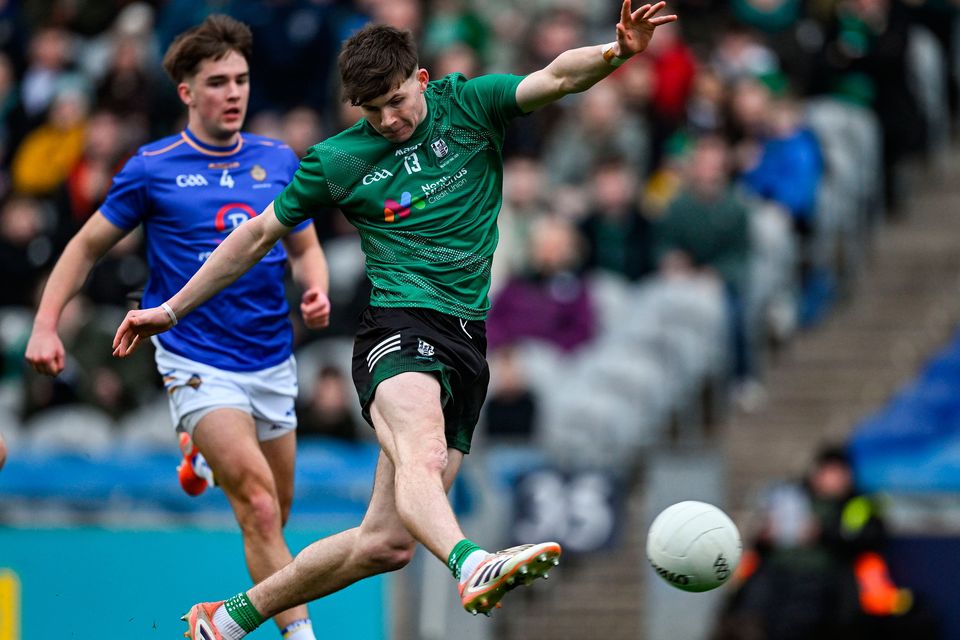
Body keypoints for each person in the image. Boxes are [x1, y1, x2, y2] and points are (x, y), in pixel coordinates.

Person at [112, 4, 677, 638]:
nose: (386, 119)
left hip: (468, 340)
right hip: (398, 328)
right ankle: (471, 563)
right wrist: (170, 307)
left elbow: (556, 77)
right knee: (424, 455)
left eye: (396, 100)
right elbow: (255, 238)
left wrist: (618, 52)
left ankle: (228, 618)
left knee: (383, 545)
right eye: (370, 108)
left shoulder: (473, 106)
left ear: (423, 78)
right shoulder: (337, 160)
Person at [25, 15, 329, 640]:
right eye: (217, 82)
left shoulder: (277, 157)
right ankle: (299, 637)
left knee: (276, 516)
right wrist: (45, 325)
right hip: (195, 358)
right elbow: (83, 248)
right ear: (187, 92)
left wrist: (317, 284)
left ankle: (204, 481)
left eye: (241, 79)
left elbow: (305, 247)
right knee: (261, 507)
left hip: (271, 361)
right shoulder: (152, 166)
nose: (234, 93)